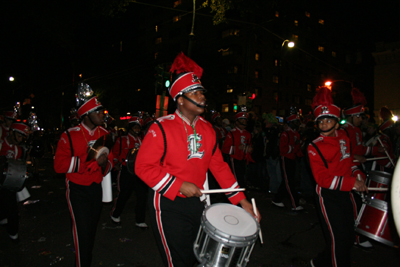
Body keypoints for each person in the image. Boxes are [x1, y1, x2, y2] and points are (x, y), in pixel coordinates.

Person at [135, 52, 260, 267]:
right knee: (178, 261)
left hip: (198, 202)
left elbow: (219, 167)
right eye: (195, 92)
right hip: (167, 203)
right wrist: (178, 185)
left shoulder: (208, 129)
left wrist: (241, 200)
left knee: (198, 256)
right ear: (180, 100)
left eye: (202, 91)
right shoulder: (161, 127)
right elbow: (142, 167)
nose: (202, 96)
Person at [54, 83, 113, 267]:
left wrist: (105, 164)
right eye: (98, 112)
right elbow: (59, 166)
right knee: (82, 232)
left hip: (95, 188)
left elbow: (111, 162)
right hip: (77, 189)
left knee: (91, 230)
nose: (102, 115)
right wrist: (89, 159)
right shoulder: (69, 135)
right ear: (86, 115)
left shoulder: (105, 133)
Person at [307, 87, 367, 267]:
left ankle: (319, 262)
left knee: (348, 237)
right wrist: (352, 183)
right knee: (338, 240)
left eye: (328, 120)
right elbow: (322, 179)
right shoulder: (314, 146)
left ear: (337, 122)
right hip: (327, 196)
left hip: (345, 193)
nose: (324, 124)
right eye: (321, 121)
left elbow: (349, 162)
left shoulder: (344, 137)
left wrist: (358, 175)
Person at [110, 115, 148, 228]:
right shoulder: (121, 140)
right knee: (123, 194)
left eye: (138, 128)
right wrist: (116, 163)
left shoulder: (141, 141)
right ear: (130, 127)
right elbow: (114, 154)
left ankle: (140, 220)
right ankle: (115, 214)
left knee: (142, 196)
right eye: (135, 127)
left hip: (139, 172)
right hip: (126, 171)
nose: (137, 130)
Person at [0, 122, 30, 242]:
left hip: (8, 183)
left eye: (22, 137)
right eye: (19, 136)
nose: (20, 139)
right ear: (12, 132)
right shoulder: (1, 143)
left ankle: (13, 233)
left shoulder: (19, 149)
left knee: (12, 207)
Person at [272, 112, 304, 211]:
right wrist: (294, 148)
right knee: (289, 181)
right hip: (286, 159)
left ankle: (277, 199)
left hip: (293, 159)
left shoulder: (296, 134)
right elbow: (283, 149)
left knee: (287, 181)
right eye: (295, 122)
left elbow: (297, 149)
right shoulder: (285, 134)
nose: (297, 124)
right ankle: (295, 204)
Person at [221, 107, 253, 188]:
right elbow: (225, 149)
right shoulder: (231, 133)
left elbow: (249, 146)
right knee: (237, 180)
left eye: (245, 120)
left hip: (244, 160)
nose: (244, 122)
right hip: (234, 160)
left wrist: (249, 149)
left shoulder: (248, 134)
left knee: (243, 180)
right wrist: (237, 148)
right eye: (242, 120)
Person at [264, 113, 282, 194]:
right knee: (273, 173)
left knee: (274, 173)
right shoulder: (273, 131)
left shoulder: (273, 131)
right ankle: (274, 189)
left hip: (273, 155)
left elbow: (271, 143)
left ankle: (275, 190)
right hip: (271, 155)